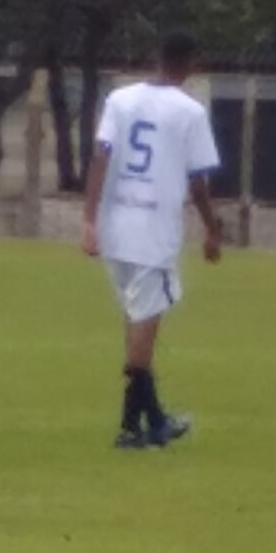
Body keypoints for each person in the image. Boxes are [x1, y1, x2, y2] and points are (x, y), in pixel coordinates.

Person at [80, 32, 224, 451]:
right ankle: (130, 428)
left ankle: (154, 421)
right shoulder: (190, 112)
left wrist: (89, 220)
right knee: (144, 330)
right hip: (153, 232)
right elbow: (198, 181)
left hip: (114, 226)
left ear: (156, 58)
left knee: (135, 319)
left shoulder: (120, 100)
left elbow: (100, 155)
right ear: (190, 64)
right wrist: (213, 229)